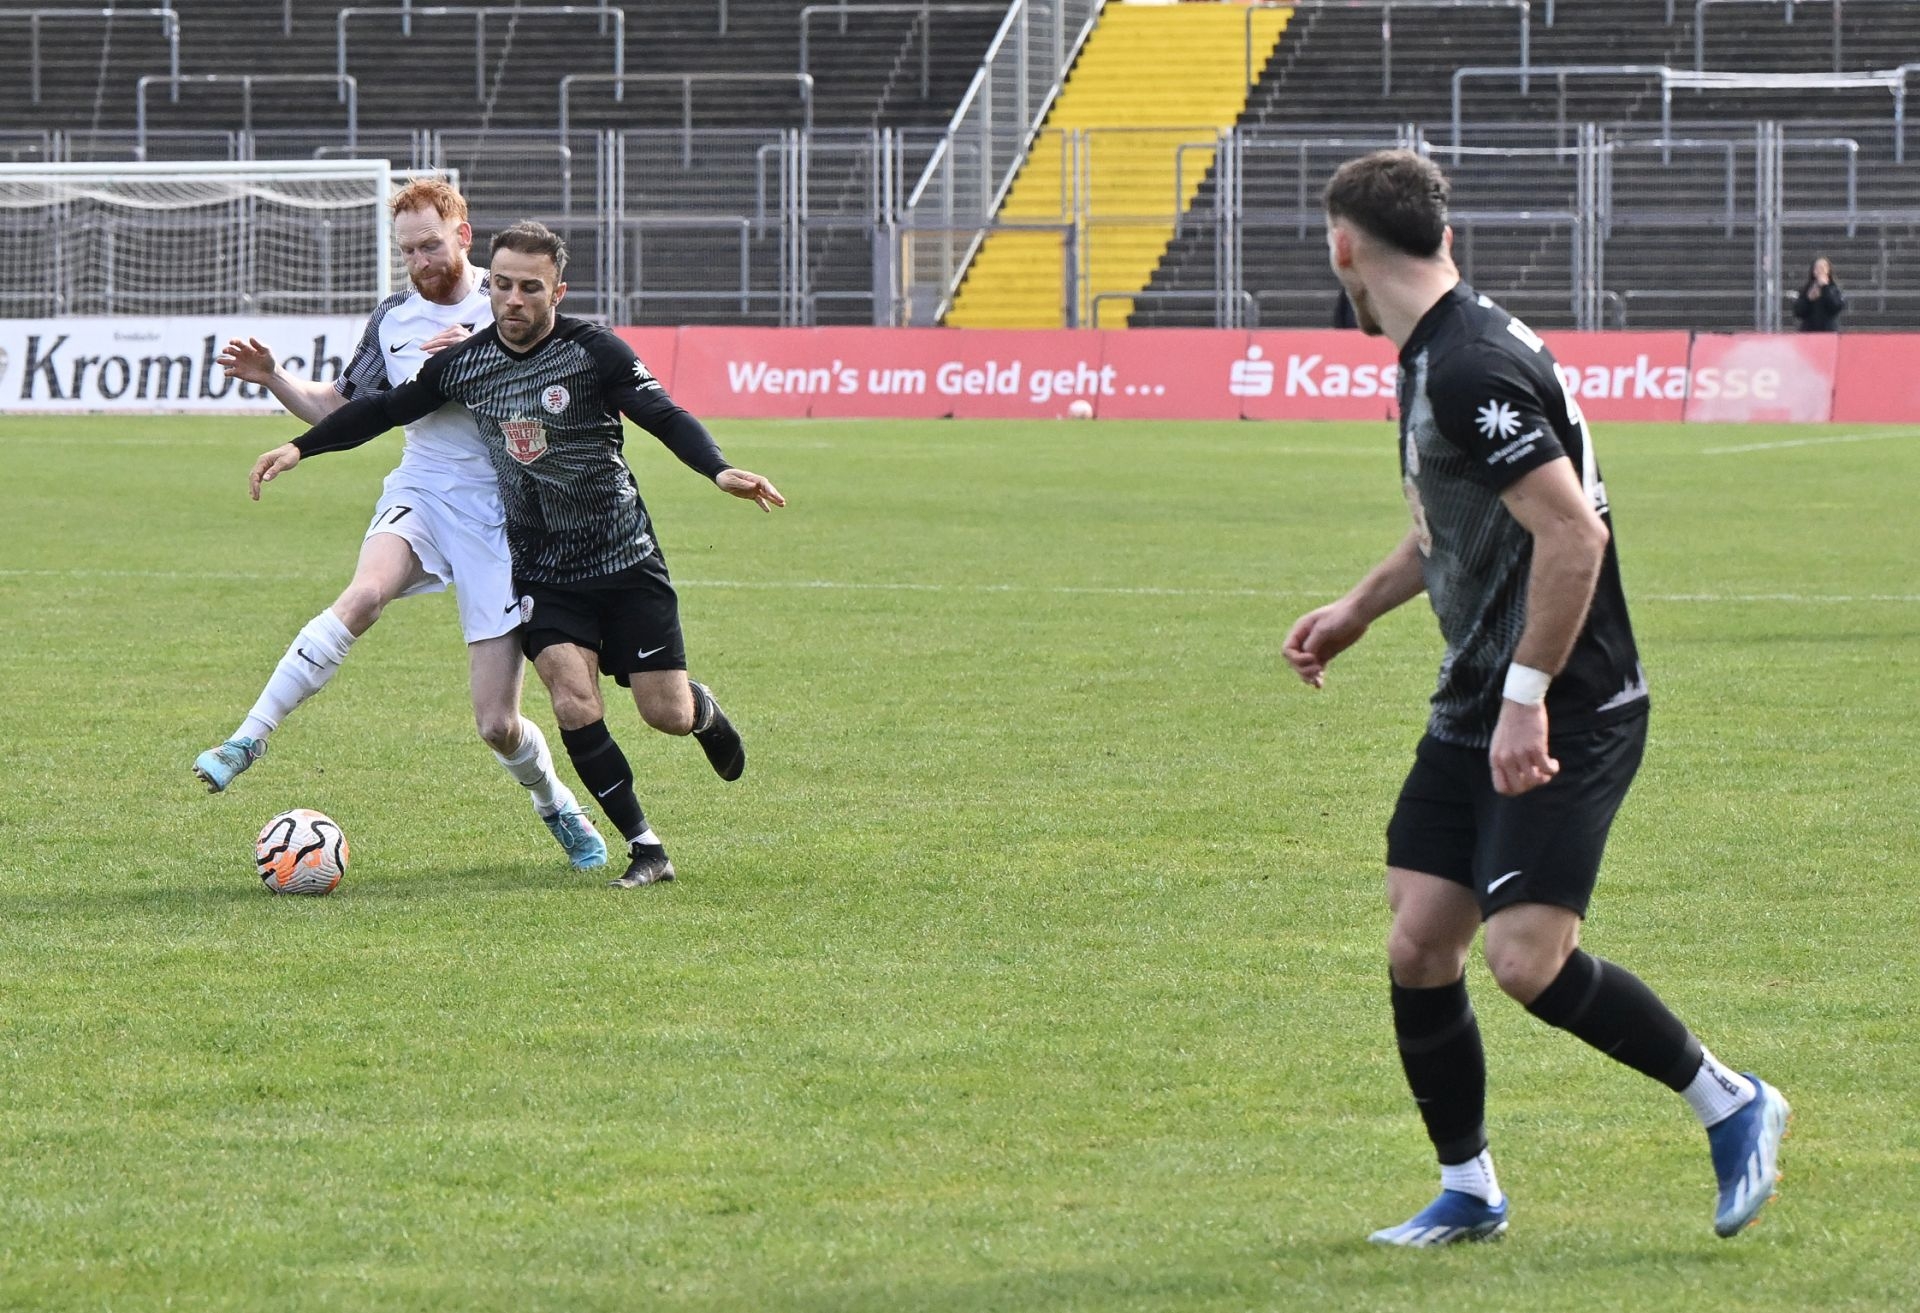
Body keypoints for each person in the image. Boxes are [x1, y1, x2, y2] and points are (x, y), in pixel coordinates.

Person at [1283, 149, 1789, 1246]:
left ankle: (1733, 1100)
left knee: (1523, 958)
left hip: (1570, 698)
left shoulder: (1464, 364)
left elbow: (1572, 532)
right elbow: (1455, 526)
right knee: (1421, 937)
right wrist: (1358, 608)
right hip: (1482, 693)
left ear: (1344, 248)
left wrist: (1527, 696)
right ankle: (1470, 1186)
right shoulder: (1437, 351)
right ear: (1443, 239)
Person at [247, 220, 785, 889]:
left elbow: (665, 415)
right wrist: (300, 447)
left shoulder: (595, 352)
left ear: (558, 290)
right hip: (540, 566)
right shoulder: (465, 363)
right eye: (501, 285)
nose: (512, 300)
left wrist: (719, 470)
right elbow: (382, 410)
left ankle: (700, 710)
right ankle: (646, 847)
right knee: (570, 701)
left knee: (663, 714)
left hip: (622, 557)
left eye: (530, 288)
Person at [194, 180, 609, 873]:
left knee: (498, 724)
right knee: (361, 596)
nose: (419, 260)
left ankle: (556, 805)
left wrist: (484, 355)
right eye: (408, 250)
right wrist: (274, 380)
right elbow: (342, 408)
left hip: (503, 514)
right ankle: (248, 738)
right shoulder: (393, 319)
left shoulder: (508, 303)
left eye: (431, 244)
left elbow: (562, 392)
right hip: (421, 490)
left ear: (464, 236)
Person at [1792, 256, 1845, 332]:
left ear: (1828, 270)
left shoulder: (1834, 288)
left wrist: (1825, 288)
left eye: (1823, 267)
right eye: (1817, 268)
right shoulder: (1806, 288)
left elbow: (1836, 307)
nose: (1820, 270)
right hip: (1809, 332)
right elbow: (1798, 312)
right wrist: (1808, 299)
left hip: (1828, 332)